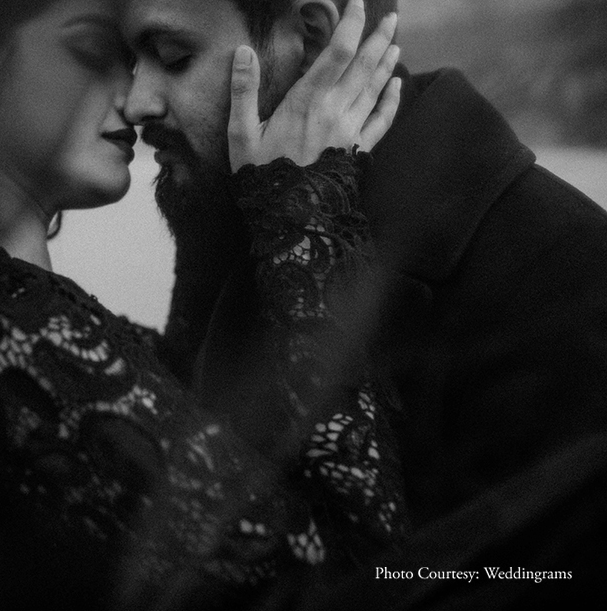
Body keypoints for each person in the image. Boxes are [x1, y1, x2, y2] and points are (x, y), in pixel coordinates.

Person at [0, 0, 407, 609]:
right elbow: (361, 582)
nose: (135, 98)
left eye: (151, 59)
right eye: (95, 52)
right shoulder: (0, 339)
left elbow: (202, 402)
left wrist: (215, 191)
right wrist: (303, 208)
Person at [120, 0, 607, 605]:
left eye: (174, 57)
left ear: (311, 37)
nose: (136, 102)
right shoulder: (245, 203)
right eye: (127, 60)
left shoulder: (562, 284)